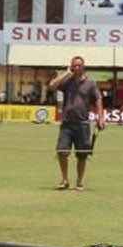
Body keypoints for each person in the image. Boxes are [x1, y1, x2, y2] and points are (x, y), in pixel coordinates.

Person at [47, 55, 105, 190]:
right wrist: (67, 72)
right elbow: (51, 86)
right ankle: (65, 179)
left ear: (83, 67)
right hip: (67, 124)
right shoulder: (67, 82)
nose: (77, 68)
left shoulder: (91, 84)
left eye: (79, 65)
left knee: (82, 155)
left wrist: (100, 117)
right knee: (61, 152)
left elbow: (98, 100)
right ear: (71, 66)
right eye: (74, 65)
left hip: (83, 124)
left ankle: (79, 182)